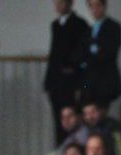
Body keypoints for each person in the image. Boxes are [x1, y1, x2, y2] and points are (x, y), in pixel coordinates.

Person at [44, 2, 90, 145]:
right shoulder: (55, 25)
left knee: (73, 118)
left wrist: (79, 84)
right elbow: (53, 54)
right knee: (59, 121)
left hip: (71, 81)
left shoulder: (80, 24)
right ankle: (62, 149)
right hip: (57, 83)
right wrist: (47, 83)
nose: (58, 5)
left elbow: (82, 54)